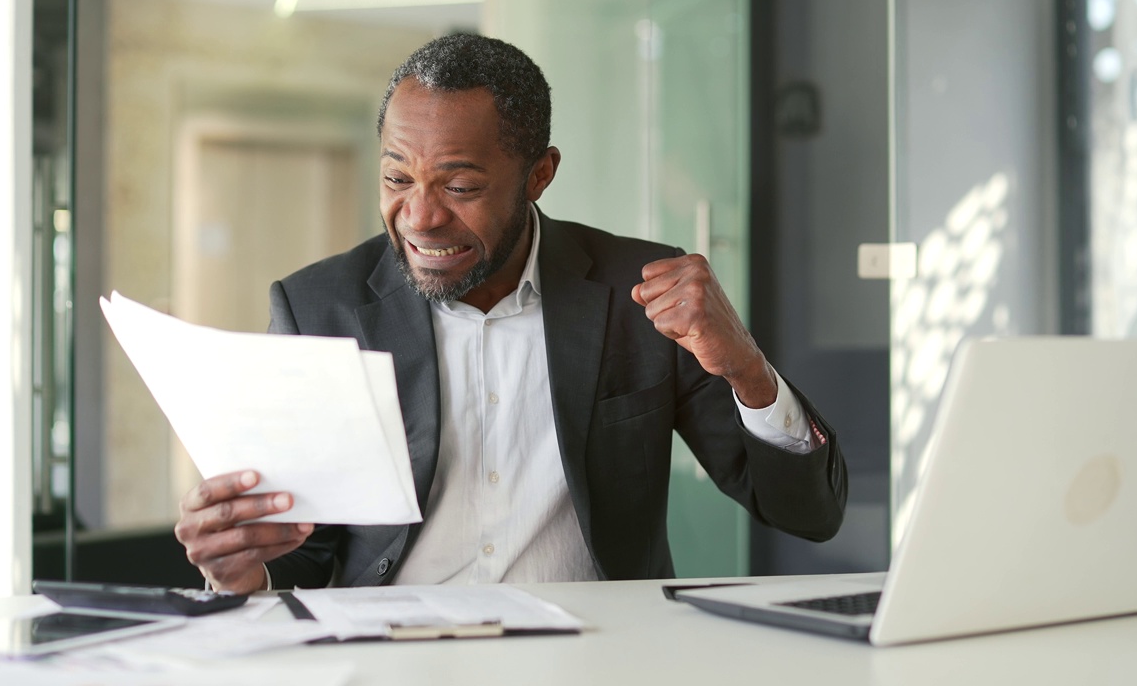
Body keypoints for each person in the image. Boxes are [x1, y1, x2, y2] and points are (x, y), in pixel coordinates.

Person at [174, 34, 847, 593]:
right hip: (393, 658)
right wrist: (244, 569)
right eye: (397, 178)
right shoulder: (320, 308)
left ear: (539, 175)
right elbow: (304, 552)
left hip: (600, 654)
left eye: (460, 186)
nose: (421, 216)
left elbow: (808, 512)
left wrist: (747, 370)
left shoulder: (639, 293)